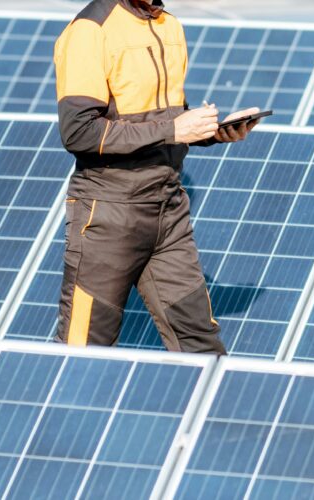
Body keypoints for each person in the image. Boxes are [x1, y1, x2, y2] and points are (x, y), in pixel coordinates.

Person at [52, 0, 262, 352]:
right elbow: (78, 133)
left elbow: (168, 121)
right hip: (108, 215)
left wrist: (212, 131)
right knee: (83, 348)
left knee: (200, 343)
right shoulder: (90, 30)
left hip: (168, 211)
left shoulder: (170, 26)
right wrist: (174, 129)